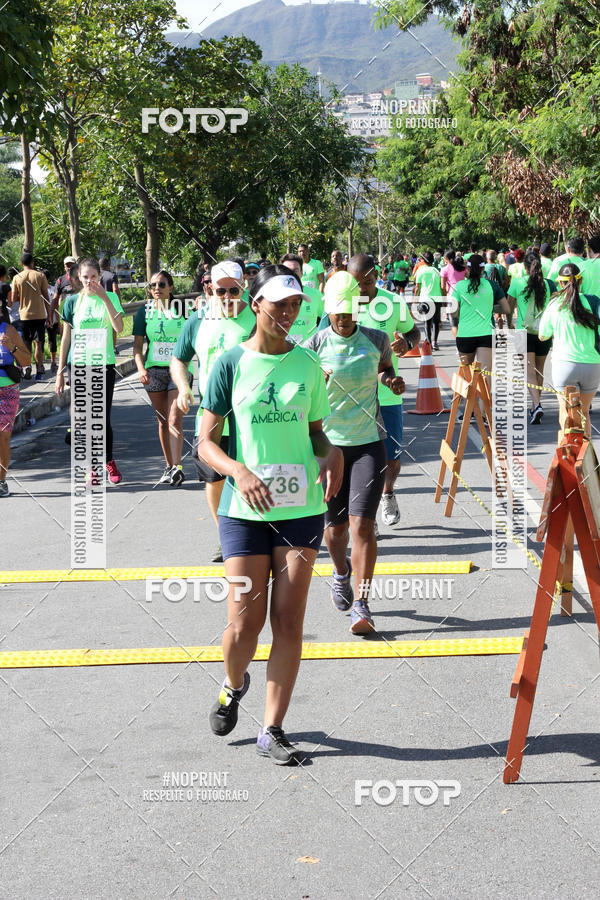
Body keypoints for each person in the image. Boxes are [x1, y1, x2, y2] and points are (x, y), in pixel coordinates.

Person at [199, 264, 343, 764]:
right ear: (256, 305)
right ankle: (233, 684)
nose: (289, 312)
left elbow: (317, 431)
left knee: (288, 620)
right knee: (245, 624)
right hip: (242, 511)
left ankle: (273, 729)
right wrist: (237, 471)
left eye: (296, 304)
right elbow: (204, 443)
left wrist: (332, 452)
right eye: (279, 304)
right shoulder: (229, 363)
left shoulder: (307, 364)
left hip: (300, 508)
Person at [305, 271, 405, 633]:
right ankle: (341, 571)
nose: (344, 318)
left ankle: (362, 604)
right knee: (336, 530)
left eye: (349, 311)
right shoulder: (313, 345)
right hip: (328, 448)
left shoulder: (377, 339)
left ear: (358, 308)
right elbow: (300, 392)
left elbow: (384, 368)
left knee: (363, 525)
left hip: (367, 445)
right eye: (337, 312)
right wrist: (317, 383)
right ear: (328, 311)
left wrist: (390, 380)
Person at [171, 261, 255, 562]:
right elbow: (178, 360)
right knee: (214, 479)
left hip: (251, 417)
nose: (228, 296)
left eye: (235, 290)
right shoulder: (197, 321)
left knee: (251, 477)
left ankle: (258, 532)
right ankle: (226, 536)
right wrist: (183, 388)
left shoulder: (257, 318)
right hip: (211, 417)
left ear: (243, 287)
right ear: (211, 289)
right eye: (221, 290)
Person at [345, 255, 419, 528]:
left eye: (368, 282)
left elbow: (413, 332)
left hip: (387, 393)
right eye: (356, 283)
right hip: (350, 397)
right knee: (359, 459)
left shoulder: (392, 302)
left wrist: (407, 343)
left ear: (377, 276)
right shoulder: (343, 303)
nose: (362, 289)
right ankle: (367, 513)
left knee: (392, 458)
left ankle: (388, 492)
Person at [56, 257, 125, 483]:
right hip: (79, 365)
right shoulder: (72, 302)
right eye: (85, 277)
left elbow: (119, 327)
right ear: (78, 278)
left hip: (103, 364)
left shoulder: (111, 297)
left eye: (93, 277)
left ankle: (109, 460)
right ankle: (92, 466)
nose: (89, 281)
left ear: (99, 277)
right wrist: (58, 372)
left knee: (102, 417)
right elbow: (66, 337)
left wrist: (105, 297)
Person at [133, 270, 191, 486]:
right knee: (163, 420)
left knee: (175, 418)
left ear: (171, 288)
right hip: (153, 372)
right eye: (153, 285)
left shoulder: (183, 311)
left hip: (178, 371)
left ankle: (177, 467)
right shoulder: (144, 312)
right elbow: (137, 346)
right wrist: (140, 368)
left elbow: (194, 340)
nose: (157, 288)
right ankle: (168, 466)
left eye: (162, 284)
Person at [539, 263, 600, 438]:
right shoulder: (594, 301)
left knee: (566, 415)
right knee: (584, 414)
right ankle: (585, 459)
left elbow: (543, 335)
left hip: (564, 366)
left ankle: (569, 460)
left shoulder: (555, 303)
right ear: (580, 281)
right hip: (591, 364)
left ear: (560, 283)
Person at [507, 251, 555, 424]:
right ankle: (536, 406)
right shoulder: (549, 285)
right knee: (539, 370)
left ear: (525, 268)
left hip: (523, 331)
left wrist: (509, 324)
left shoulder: (518, 282)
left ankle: (536, 405)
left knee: (528, 371)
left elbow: (508, 307)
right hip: (544, 332)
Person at [451, 253, 510, 375]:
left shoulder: (459, 286)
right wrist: (489, 307)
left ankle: (467, 395)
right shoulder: (492, 285)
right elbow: (506, 309)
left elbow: (453, 312)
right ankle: (484, 395)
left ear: (467, 268)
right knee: (485, 375)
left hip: (465, 335)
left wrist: (461, 312)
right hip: (487, 334)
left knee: (466, 376)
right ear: (483, 268)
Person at [0, 320, 30, 496]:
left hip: (8, 392)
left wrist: (12, 347)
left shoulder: (9, 330)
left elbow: (26, 361)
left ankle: (1, 481)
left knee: (3, 436)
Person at [11, 252, 50, 381]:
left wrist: (23, 296)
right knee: (38, 344)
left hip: (24, 315)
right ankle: (39, 371)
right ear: (32, 263)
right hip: (39, 314)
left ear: (22, 264)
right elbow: (46, 297)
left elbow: (13, 298)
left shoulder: (17, 277)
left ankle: (27, 367)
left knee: (26, 343)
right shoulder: (40, 276)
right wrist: (49, 315)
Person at [280, 253, 323, 343]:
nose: (291, 275)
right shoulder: (273, 297)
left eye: (295, 271)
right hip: (282, 353)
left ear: (302, 273)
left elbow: (325, 320)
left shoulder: (316, 295)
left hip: (309, 353)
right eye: (287, 271)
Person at [415, 251, 443, 349]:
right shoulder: (436, 271)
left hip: (425, 299)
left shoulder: (420, 271)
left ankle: (429, 343)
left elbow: (417, 288)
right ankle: (435, 342)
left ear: (423, 260)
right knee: (436, 322)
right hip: (437, 299)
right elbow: (441, 285)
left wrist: (415, 300)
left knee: (427, 322)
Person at [440, 250, 467, 338]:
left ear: (446, 258)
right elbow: (470, 277)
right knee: (463, 322)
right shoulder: (462, 267)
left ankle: (459, 346)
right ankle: (465, 342)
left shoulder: (445, 269)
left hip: (452, 296)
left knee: (454, 323)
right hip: (464, 296)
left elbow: (443, 287)